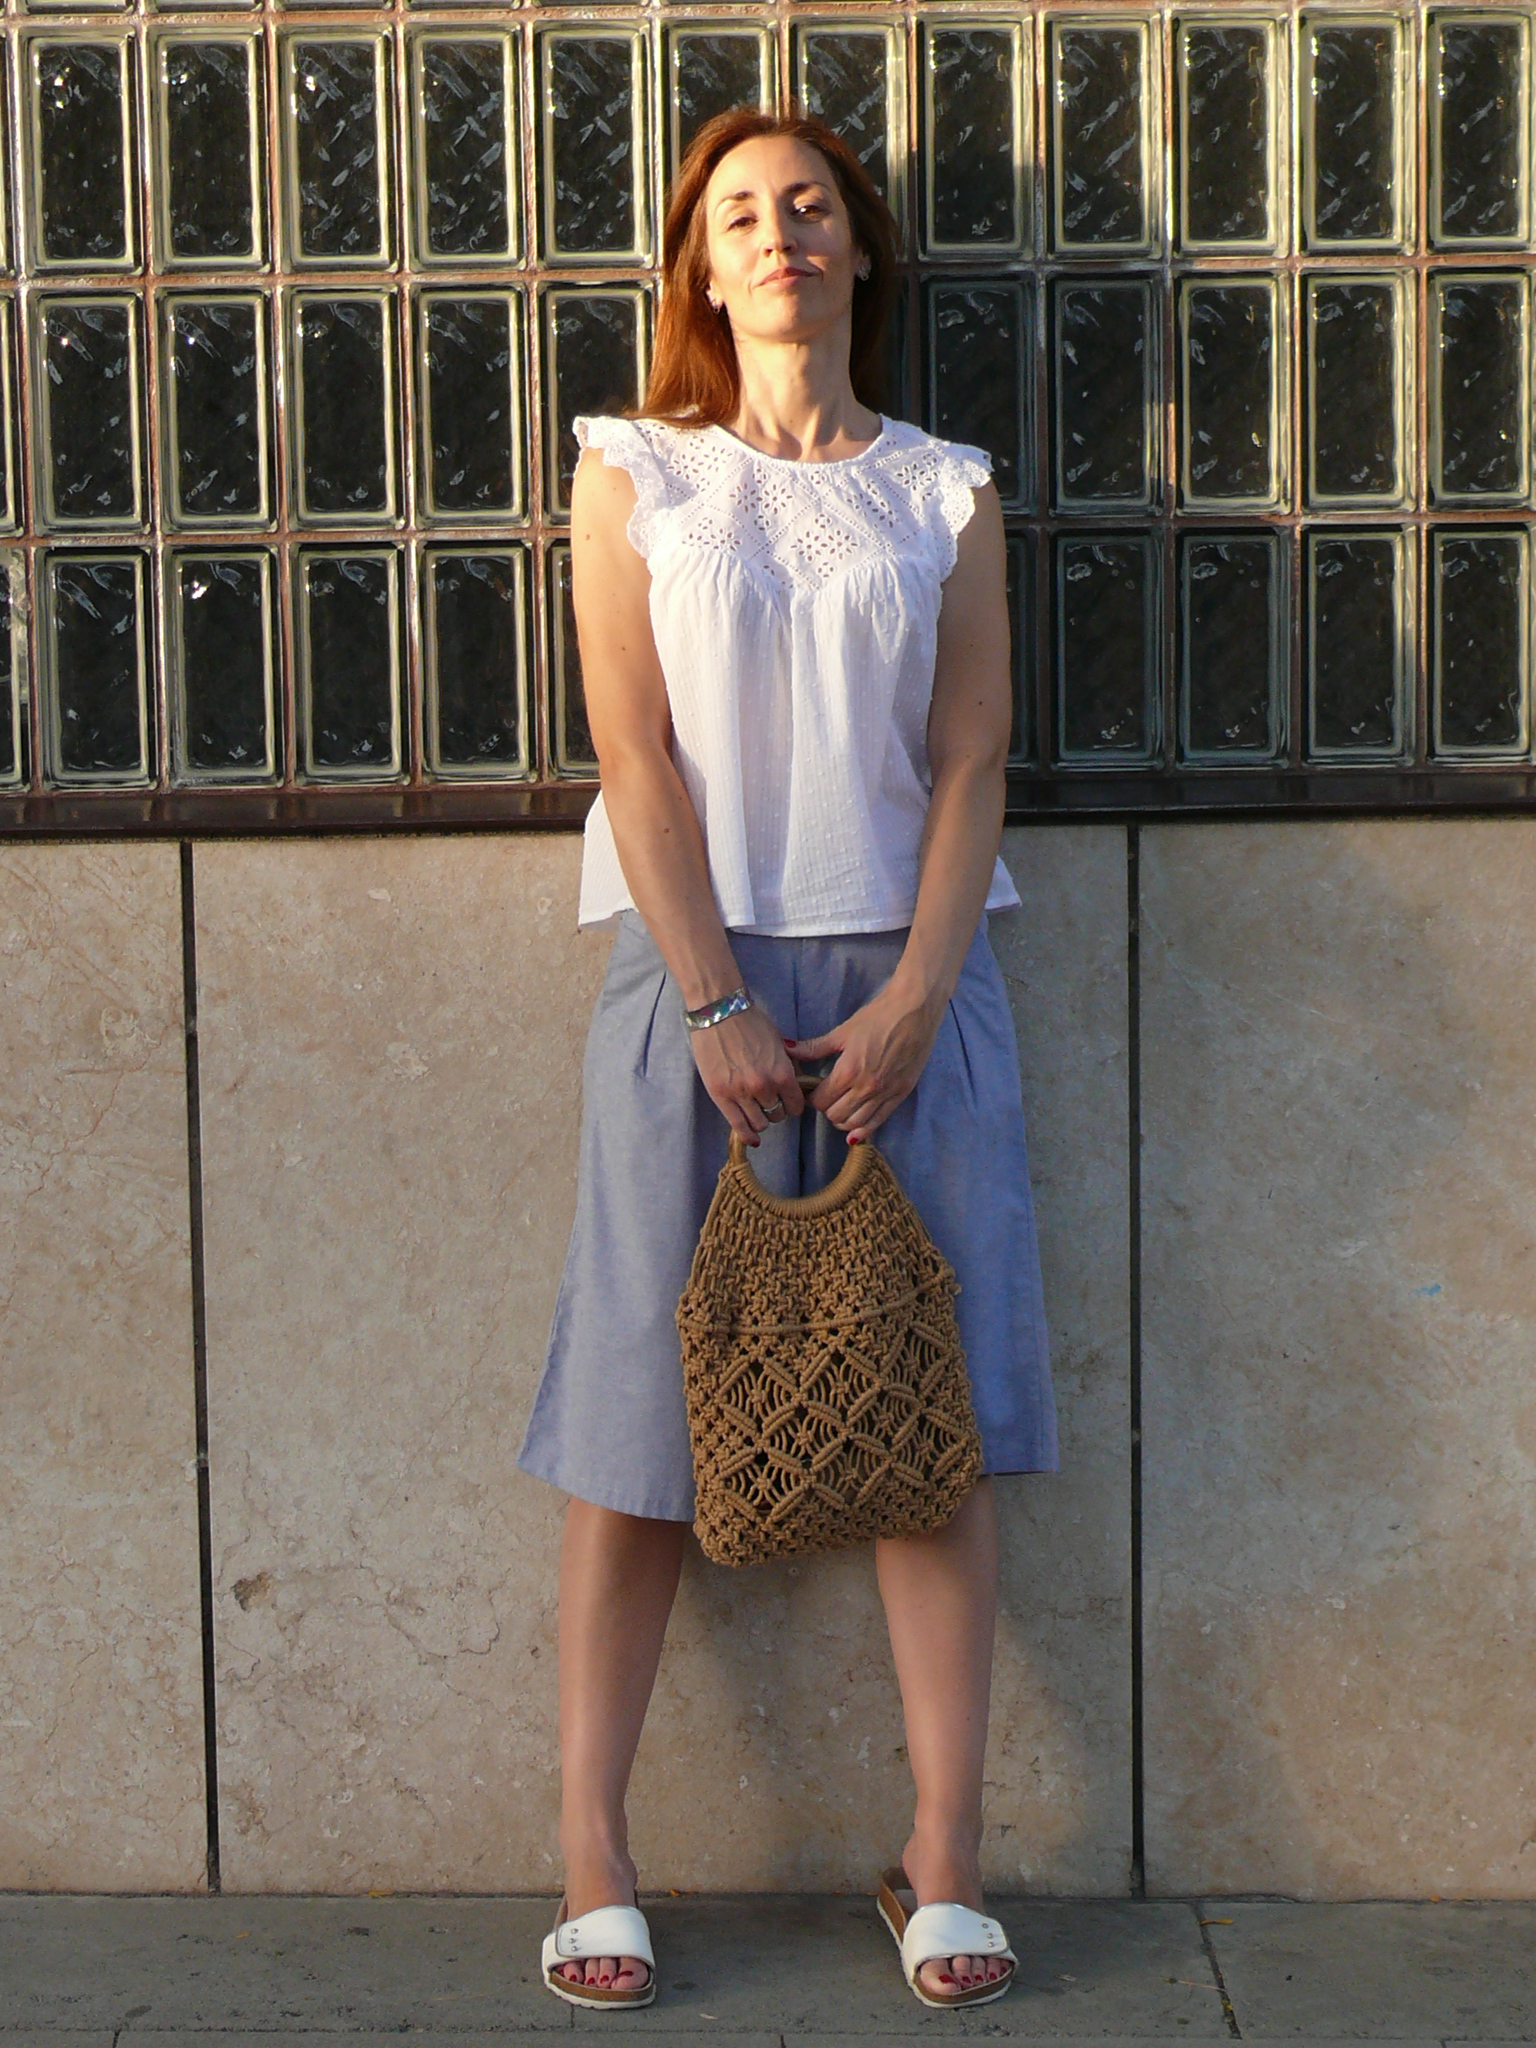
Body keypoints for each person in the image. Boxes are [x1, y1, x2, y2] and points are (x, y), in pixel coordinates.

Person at [517, 106, 1057, 2014]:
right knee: (636, 1427)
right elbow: (632, 755)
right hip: (696, 989)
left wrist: (916, 995)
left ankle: (944, 1857)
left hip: (913, 995)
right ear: (702, 262)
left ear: (858, 247)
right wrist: (711, 1000)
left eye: (808, 205)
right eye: (739, 212)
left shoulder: (943, 494)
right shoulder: (635, 473)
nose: (777, 234)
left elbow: (974, 759)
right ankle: (594, 1855)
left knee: (927, 1423)